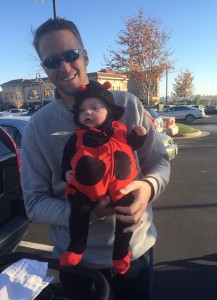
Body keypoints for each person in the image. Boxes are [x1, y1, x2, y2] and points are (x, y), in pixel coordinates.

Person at [21, 17, 170, 300]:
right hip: (80, 267)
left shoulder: (126, 104)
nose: (64, 67)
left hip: (136, 254)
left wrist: (147, 189)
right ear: (44, 69)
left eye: (70, 55)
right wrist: (87, 212)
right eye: (52, 61)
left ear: (85, 56)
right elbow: (34, 203)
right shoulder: (37, 127)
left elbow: (159, 162)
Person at [60, 80, 147, 274]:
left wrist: (140, 135)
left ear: (109, 111)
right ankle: (76, 247)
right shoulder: (78, 136)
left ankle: (121, 253)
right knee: (78, 213)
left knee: (127, 217)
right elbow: (66, 158)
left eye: (94, 108)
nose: (87, 112)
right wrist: (64, 172)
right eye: (82, 110)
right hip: (86, 191)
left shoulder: (121, 130)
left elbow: (134, 145)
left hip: (122, 189)